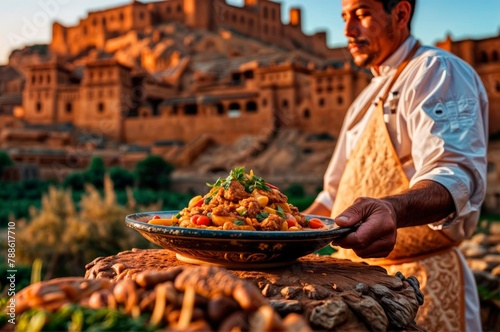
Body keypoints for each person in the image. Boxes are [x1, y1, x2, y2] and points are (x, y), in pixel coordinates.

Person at [304, 0, 488, 330]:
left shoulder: (436, 71)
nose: (347, 31)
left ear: (400, 14)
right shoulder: (363, 99)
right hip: (357, 293)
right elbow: (332, 198)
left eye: (361, 15)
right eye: (345, 18)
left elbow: (457, 174)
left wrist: (391, 210)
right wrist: (286, 230)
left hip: (424, 285)